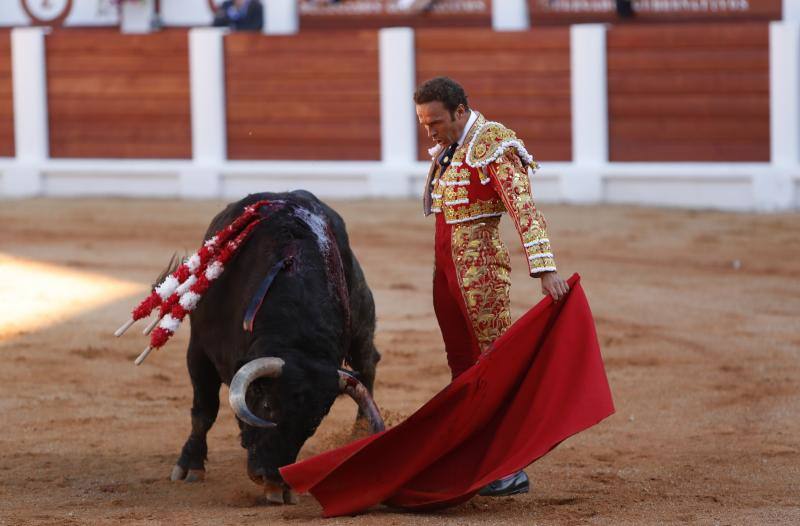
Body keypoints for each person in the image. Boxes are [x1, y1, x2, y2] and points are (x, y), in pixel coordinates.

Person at [415, 76, 569, 497]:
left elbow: (524, 208)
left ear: (460, 112)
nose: (430, 132)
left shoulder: (493, 143)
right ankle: (472, 453)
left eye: (437, 122)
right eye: (425, 124)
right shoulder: (451, 148)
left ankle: (509, 465)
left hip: (479, 268)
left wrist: (544, 269)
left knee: (493, 362)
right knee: (461, 363)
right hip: (445, 265)